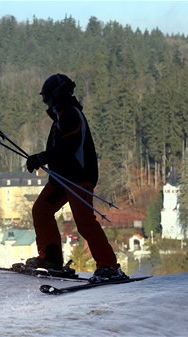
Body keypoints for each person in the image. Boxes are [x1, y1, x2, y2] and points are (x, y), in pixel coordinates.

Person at [24, 73, 127, 282]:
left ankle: (109, 265)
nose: (46, 101)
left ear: (56, 94)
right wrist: (43, 159)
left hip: (78, 177)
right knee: (42, 210)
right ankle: (51, 258)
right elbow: (62, 148)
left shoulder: (70, 114)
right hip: (62, 179)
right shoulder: (62, 115)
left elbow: (67, 147)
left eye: (46, 97)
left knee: (84, 222)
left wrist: (41, 157)